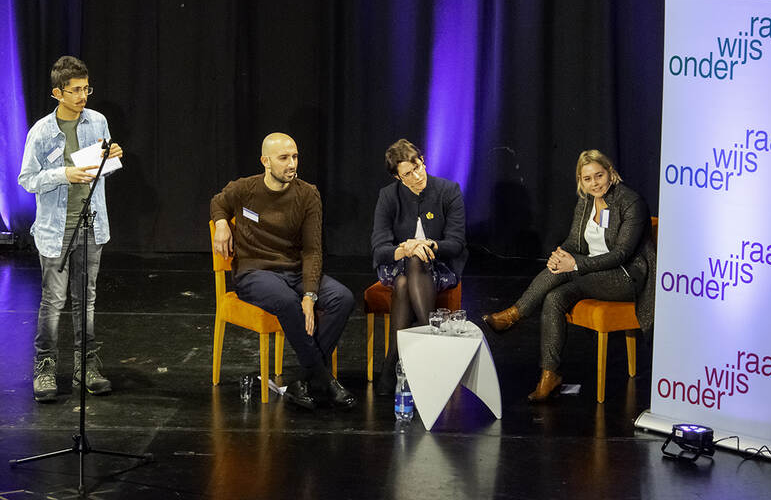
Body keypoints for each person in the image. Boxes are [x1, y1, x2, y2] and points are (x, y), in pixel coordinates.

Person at [482, 150, 655, 402]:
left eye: (599, 175)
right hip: (591, 273)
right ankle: (549, 375)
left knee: (567, 275)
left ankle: (515, 314)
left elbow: (621, 254)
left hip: (626, 277)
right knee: (554, 298)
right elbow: (574, 241)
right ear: (580, 180)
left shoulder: (630, 202)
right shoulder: (586, 201)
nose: (594, 183)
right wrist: (559, 255)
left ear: (611, 172)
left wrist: (575, 264)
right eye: (587, 178)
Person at [210, 132, 356, 410]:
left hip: (293, 270)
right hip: (255, 272)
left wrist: (311, 294)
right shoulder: (245, 188)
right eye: (284, 158)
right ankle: (325, 379)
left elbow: (313, 250)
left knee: (343, 298)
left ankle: (303, 380)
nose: (292, 163)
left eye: (295, 156)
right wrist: (220, 224)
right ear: (265, 161)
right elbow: (218, 202)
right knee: (287, 302)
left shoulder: (307, 194)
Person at [19, 56, 124, 402]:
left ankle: (86, 366)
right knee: (53, 301)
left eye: (86, 89)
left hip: (92, 224)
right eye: (75, 90)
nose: (83, 96)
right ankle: (45, 367)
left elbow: (101, 169)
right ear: (57, 93)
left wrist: (111, 158)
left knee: (86, 300)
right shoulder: (42, 131)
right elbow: (27, 180)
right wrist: (62, 174)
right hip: (56, 228)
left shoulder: (97, 123)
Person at [370, 139, 467, 395]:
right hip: (396, 265)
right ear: (397, 177)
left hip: (440, 266)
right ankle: (431, 344)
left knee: (411, 270)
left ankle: (392, 362)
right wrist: (406, 248)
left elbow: (456, 244)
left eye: (418, 166)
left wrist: (428, 246)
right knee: (408, 266)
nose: (417, 175)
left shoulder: (448, 190)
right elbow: (379, 249)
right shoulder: (388, 196)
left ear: (422, 160)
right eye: (408, 173)